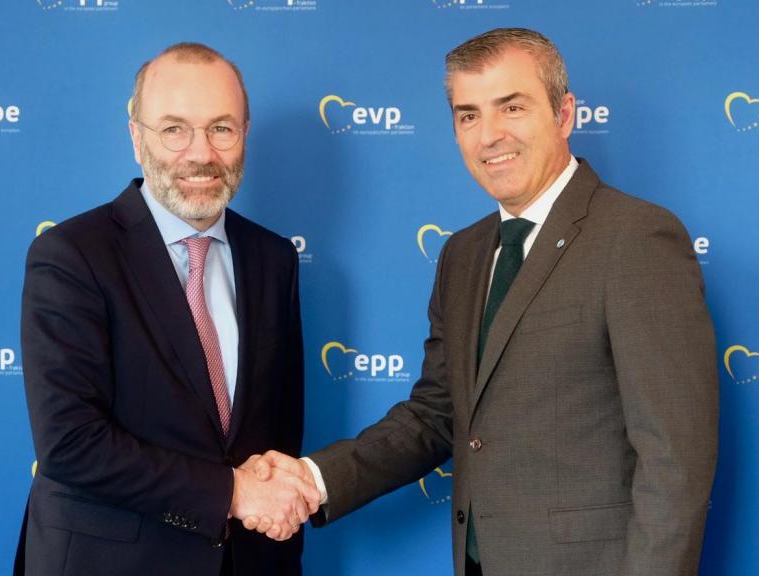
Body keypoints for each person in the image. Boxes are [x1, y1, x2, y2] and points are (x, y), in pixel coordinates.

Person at [244, 28, 718, 576]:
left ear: (564, 115)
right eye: (468, 115)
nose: (489, 135)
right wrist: (314, 479)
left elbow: (675, 462)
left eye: (511, 107)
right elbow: (437, 415)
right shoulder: (463, 255)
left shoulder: (635, 238)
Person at [14, 42, 319, 576]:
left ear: (245, 133)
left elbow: (279, 434)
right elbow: (70, 442)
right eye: (174, 129)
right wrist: (231, 492)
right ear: (136, 137)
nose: (200, 153)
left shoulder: (274, 259)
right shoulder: (71, 255)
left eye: (221, 128)